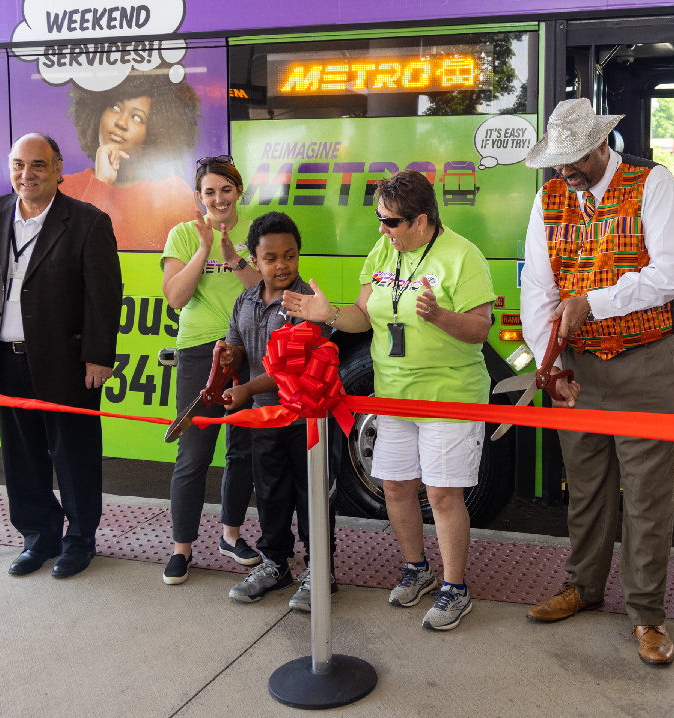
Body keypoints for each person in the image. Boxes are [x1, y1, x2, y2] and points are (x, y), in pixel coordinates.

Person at [519, 99, 674, 664]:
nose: (566, 173)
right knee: (587, 487)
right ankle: (583, 587)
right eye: (558, 164)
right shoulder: (550, 198)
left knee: (646, 498)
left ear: (602, 145)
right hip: (580, 371)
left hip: (649, 364)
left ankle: (646, 616)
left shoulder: (652, 183)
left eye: (576, 161)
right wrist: (548, 366)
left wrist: (593, 304)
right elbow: (538, 290)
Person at [284, 169, 497, 632]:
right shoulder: (385, 249)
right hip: (393, 394)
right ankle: (417, 569)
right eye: (379, 218)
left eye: (391, 222)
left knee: (442, 495)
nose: (381, 229)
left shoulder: (463, 256)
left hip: (449, 396)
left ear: (421, 221)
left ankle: (455, 590)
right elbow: (363, 315)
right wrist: (332, 314)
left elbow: (481, 330)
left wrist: (439, 317)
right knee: (396, 486)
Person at [0, 133, 122, 579]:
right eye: (18, 164)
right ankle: (39, 536)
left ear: (58, 169)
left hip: (67, 361)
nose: (26, 174)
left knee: (74, 454)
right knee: (22, 455)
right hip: (5, 356)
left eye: (37, 165)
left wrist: (97, 355)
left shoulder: (88, 222)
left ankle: (79, 540)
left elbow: (105, 297)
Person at [217, 211, 337, 610]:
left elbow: (293, 369)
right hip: (265, 419)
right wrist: (229, 355)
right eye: (271, 258)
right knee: (270, 493)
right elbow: (239, 354)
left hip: (307, 420)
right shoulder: (245, 301)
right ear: (255, 260)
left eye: (290, 255)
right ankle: (275, 564)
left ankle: (321, 572)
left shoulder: (308, 305)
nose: (282, 264)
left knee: (310, 496)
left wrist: (248, 387)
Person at [158, 157, 262, 585]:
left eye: (226, 189)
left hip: (249, 348)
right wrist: (203, 249)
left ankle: (231, 535)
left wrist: (234, 257)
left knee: (242, 451)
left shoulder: (256, 231)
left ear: (238, 191)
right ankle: (182, 548)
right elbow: (176, 298)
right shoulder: (183, 234)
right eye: (209, 192)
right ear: (198, 197)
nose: (218, 199)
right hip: (201, 352)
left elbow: (267, 290)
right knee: (194, 453)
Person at [60, 68, 201, 251]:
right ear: (97, 112)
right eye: (115, 107)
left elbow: (190, 267)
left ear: (151, 134)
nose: (121, 122)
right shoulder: (66, 189)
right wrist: (101, 183)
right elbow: (68, 253)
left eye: (137, 117)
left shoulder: (174, 195)